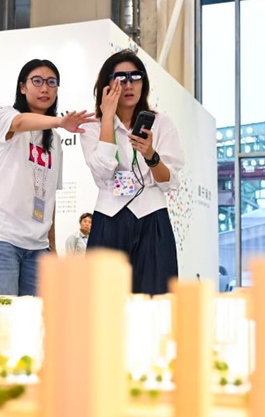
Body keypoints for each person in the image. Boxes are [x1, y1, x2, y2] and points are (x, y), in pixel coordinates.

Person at [0, 58, 95, 296]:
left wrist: (53, 247)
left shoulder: (55, 142)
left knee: (33, 322)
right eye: (36, 81)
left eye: (51, 82)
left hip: (37, 248)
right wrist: (60, 121)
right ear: (22, 87)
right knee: (0, 319)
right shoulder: (8, 116)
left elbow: (50, 198)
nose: (45, 88)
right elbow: (20, 122)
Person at [80, 50, 185, 295]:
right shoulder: (91, 125)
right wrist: (107, 117)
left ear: (143, 83)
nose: (128, 84)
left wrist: (150, 154)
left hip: (152, 216)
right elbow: (104, 171)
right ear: (107, 84)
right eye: (120, 77)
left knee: (156, 298)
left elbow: (168, 182)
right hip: (108, 217)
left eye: (135, 77)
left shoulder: (162, 123)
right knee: (103, 302)